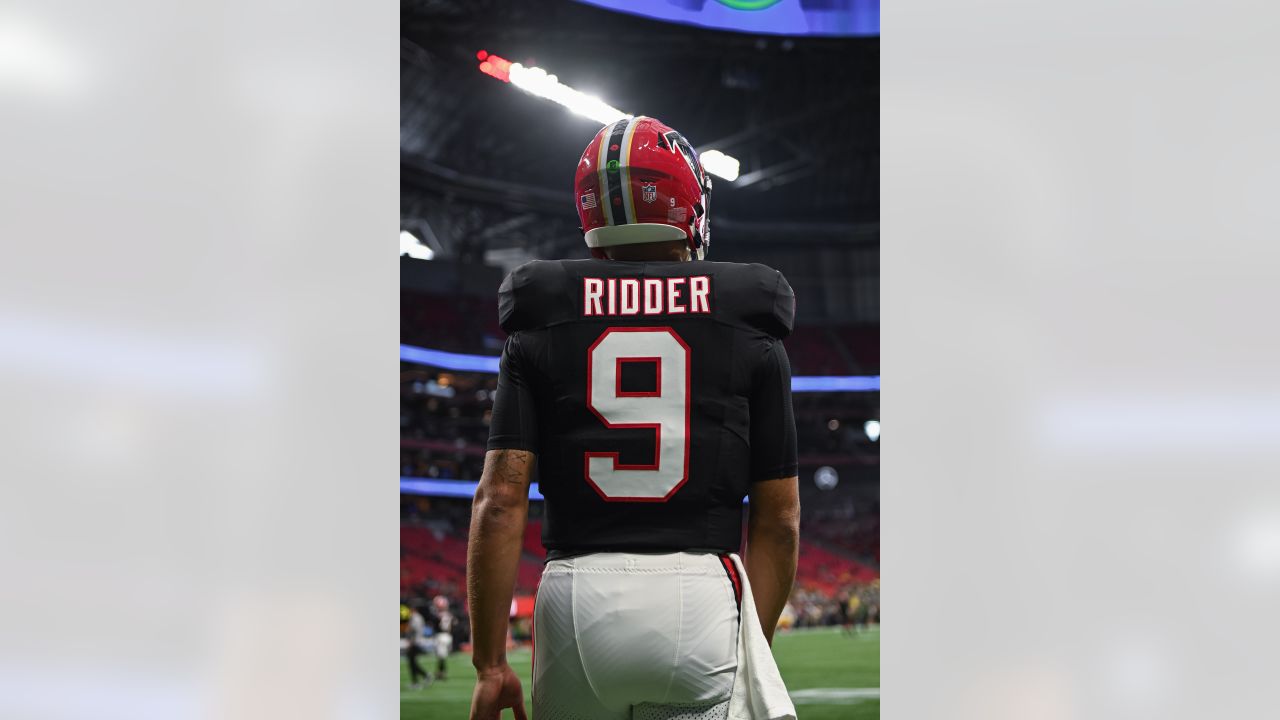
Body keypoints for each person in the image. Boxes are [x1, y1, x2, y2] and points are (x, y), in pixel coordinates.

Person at [466, 116, 800, 720]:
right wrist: (751, 642)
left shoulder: (541, 313)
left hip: (572, 596)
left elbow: (499, 500)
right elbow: (780, 518)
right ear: (689, 203)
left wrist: (490, 664)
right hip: (697, 593)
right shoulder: (749, 313)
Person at [401, 603, 430, 690]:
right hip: (416, 641)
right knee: (412, 662)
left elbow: (413, 630)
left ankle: (419, 680)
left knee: (411, 662)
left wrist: (410, 641)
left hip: (415, 642)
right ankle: (424, 677)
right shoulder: (417, 617)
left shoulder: (415, 618)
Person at [428, 594, 456, 680]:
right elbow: (454, 624)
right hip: (448, 635)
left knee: (441, 656)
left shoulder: (438, 616)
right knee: (441, 656)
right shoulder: (449, 615)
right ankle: (440, 672)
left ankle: (441, 673)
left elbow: (434, 624)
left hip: (441, 636)